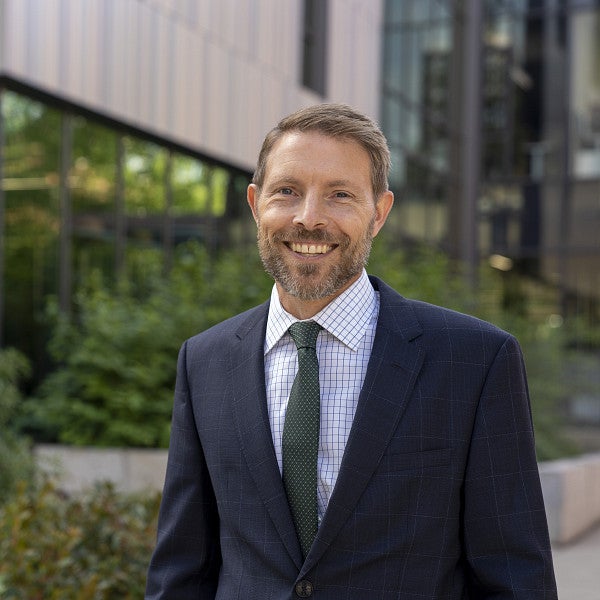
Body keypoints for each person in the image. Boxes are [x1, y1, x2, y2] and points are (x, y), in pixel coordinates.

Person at [145, 103, 557, 599]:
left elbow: (516, 578)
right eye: (287, 191)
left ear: (378, 213)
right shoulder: (204, 360)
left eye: (340, 195)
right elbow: (182, 570)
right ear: (255, 204)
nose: (309, 218)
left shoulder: (476, 361)